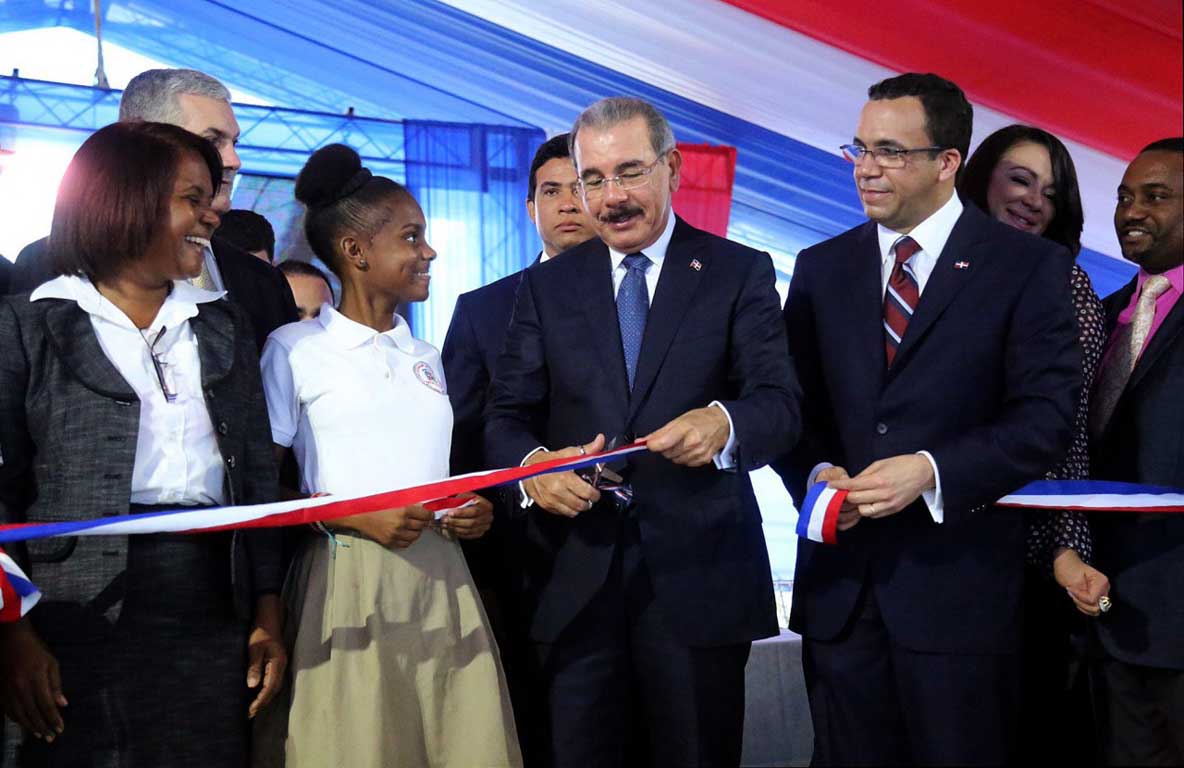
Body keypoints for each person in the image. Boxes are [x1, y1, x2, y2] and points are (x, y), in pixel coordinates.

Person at [485, 97, 801, 767]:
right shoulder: (547, 287)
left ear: (673, 168)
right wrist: (536, 465)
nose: (611, 196)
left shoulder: (737, 272)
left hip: (699, 583)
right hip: (573, 588)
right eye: (592, 179)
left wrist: (724, 423)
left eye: (628, 172)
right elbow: (506, 416)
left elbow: (780, 406)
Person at [775, 74, 1080, 766]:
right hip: (839, 597)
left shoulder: (1027, 267)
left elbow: (1046, 418)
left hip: (958, 598)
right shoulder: (823, 267)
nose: (867, 168)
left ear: (948, 163)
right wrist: (818, 476)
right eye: (858, 149)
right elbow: (792, 407)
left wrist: (932, 472)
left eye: (889, 151)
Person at [0, 121, 285, 767]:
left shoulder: (224, 327)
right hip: (67, 616)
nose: (213, 215)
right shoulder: (27, 325)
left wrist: (268, 612)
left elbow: (258, 485)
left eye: (211, 196)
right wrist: (10, 635)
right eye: (192, 197)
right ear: (125, 200)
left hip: (211, 609)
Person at [255, 144, 520, 768]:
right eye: (411, 236)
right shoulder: (295, 349)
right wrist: (350, 516)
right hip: (346, 578)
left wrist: (474, 512)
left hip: (444, 580)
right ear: (356, 251)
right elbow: (264, 486)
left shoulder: (425, 356)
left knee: (455, 740)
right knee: (357, 741)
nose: (427, 251)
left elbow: (437, 471)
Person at [440, 132, 593, 765]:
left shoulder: (659, 296)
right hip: (525, 563)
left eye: (580, 188)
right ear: (529, 207)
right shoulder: (482, 310)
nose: (567, 204)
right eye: (550, 191)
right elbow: (460, 441)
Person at [960, 124, 1109, 761]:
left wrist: (1065, 550)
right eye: (1020, 179)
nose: (1033, 200)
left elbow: (1067, 437)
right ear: (977, 176)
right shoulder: (921, 263)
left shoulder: (1062, 282)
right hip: (913, 544)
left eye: (1050, 192)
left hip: (1017, 553)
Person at [9, 68, 297, 351]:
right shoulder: (45, 265)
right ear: (143, 142)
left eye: (234, 143)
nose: (234, 160)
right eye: (212, 142)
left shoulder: (264, 284)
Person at [1088, 137, 1184, 766]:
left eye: (1156, 196)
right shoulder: (1105, 313)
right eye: (1125, 196)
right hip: (1104, 612)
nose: (1132, 211)